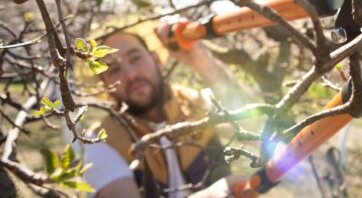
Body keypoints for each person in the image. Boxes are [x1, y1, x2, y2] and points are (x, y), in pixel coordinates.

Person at [83, 19, 249, 198]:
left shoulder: (197, 103)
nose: (131, 75)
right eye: (114, 70)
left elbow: (257, 124)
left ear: (156, 59)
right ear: (105, 86)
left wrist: (201, 60)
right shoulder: (102, 141)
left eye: (135, 58)